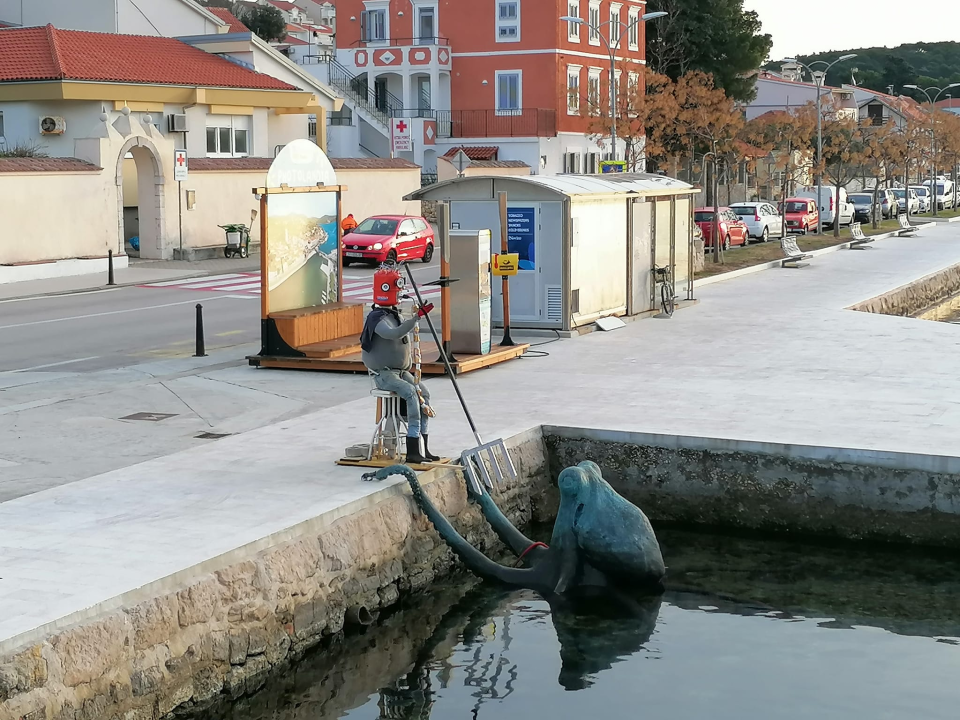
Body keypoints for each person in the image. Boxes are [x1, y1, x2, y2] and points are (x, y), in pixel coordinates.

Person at [360, 264, 438, 465]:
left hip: (401, 371)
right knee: (410, 393)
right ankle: (412, 447)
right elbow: (392, 333)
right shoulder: (375, 318)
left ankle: (423, 446)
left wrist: (413, 318)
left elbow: (400, 330)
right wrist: (416, 318)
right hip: (384, 374)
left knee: (424, 394)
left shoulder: (396, 316)